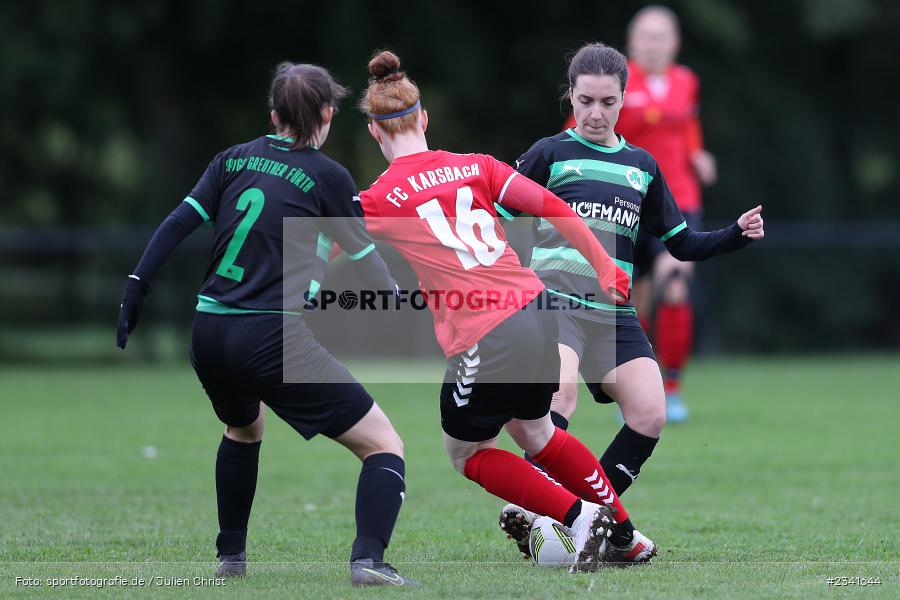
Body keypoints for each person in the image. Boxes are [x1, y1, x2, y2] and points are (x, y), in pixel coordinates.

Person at [116, 62, 417, 587]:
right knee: (384, 444)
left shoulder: (232, 161)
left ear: (273, 114)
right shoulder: (327, 175)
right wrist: (402, 301)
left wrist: (138, 283)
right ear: (327, 115)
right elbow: (366, 256)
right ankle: (368, 561)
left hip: (208, 333)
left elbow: (178, 222)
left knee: (243, 427)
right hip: (272, 338)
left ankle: (231, 558)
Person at [357, 50, 657, 571]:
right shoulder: (479, 165)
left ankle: (580, 516)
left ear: (373, 133)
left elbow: (332, 249)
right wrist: (604, 265)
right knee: (536, 432)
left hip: (487, 332)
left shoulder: (379, 197)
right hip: (540, 311)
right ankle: (624, 534)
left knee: (466, 453)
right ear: (424, 119)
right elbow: (555, 207)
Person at [507, 42, 763, 550]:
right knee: (560, 393)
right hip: (555, 304)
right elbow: (497, 223)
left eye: (607, 102)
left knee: (649, 412)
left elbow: (681, 243)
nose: (596, 113)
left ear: (624, 99)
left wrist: (734, 233)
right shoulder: (548, 154)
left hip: (613, 312)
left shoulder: (640, 166)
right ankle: (549, 506)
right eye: (586, 101)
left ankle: (576, 514)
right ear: (571, 99)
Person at [564, 6, 717, 422]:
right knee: (637, 299)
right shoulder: (612, 84)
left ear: (675, 42)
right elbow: (577, 133)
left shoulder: (687, 82)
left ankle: (673, 387)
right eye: (646, 37)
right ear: (633, 43)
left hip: (679, 200)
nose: (654, 44)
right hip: (628, 202)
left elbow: (687, 128)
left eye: (661, 36)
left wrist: (696, 154)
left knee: (675, 284)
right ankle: (638, 386)